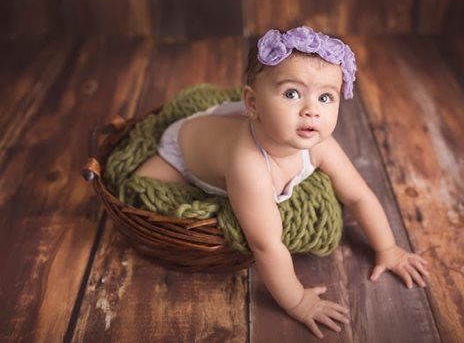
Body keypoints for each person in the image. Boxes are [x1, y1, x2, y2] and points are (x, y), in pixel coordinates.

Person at [135, 26, 430, 339]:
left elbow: (358, 195)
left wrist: (388, 248)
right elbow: (266, 244)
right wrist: (300, 301)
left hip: (240, 125)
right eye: (292, 93)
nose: (311, 110)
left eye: (326, 97)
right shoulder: (248, 166)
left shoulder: (320, 144)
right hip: (186, 149)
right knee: (140, 185)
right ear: (252, 102)